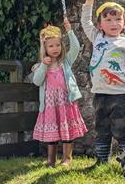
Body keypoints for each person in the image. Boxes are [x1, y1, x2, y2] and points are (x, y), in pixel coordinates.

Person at [81, 0, 125, 169]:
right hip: (100, 94)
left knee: (120, 129)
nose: (113, 23)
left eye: (117, 19)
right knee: (102, 129)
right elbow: (85, 22)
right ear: (100, 24)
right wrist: (90, 1)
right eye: (108, 19)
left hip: (120, 95)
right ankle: (101, 160)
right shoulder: (97, 38)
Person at [32, 17, 88, 167]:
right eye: (51, 46)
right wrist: (43, 65)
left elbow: (75, 47)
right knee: (53, 132)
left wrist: (69, 30)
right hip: (50, 104)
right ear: (45, 48)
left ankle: (67, 158)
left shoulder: (66, 61)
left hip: (65, 101)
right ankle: (51, 159)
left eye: (57, 45)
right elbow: (37, 81)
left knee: (67, 130)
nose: (55, 48)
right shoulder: (41, 66)